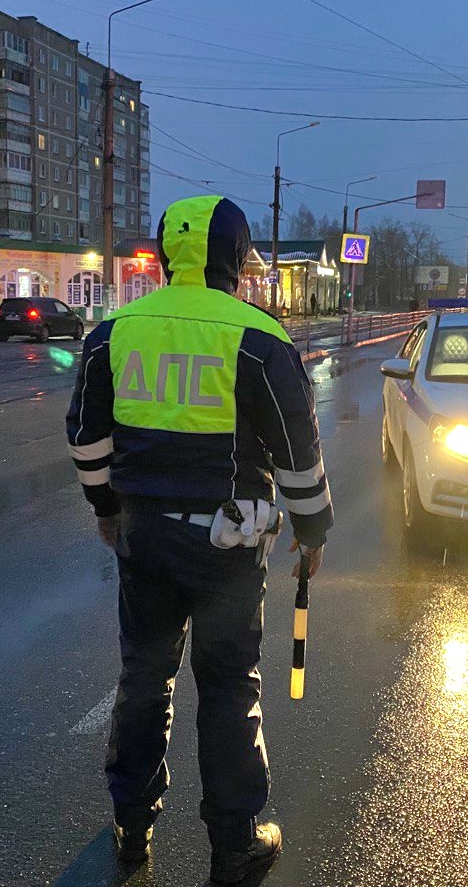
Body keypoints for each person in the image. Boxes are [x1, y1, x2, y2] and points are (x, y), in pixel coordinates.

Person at [66, 195, 333, 885]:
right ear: (235, 260)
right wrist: (313, 529)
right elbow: (297, 453)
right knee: (227, 688)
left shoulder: (113, 332)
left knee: (143, 676)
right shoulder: (258, 337)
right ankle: (236, 843)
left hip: (144, 537)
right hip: (228, 546)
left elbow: (88, 441)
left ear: (163, 257)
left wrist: (105, 507)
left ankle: (131, 824)